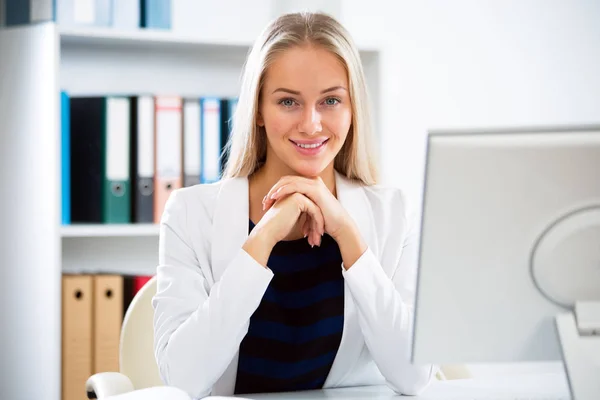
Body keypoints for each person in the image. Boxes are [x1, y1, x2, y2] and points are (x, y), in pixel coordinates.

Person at [152, 11, 436, 399]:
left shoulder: (395, 214)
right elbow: (183, 377)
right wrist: (263, 237)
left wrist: (349, 237)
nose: (311, 124)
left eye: (331, 100)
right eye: (288, 102)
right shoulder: (189, 213)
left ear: (353, 110)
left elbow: (415, 376)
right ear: (258, 112)